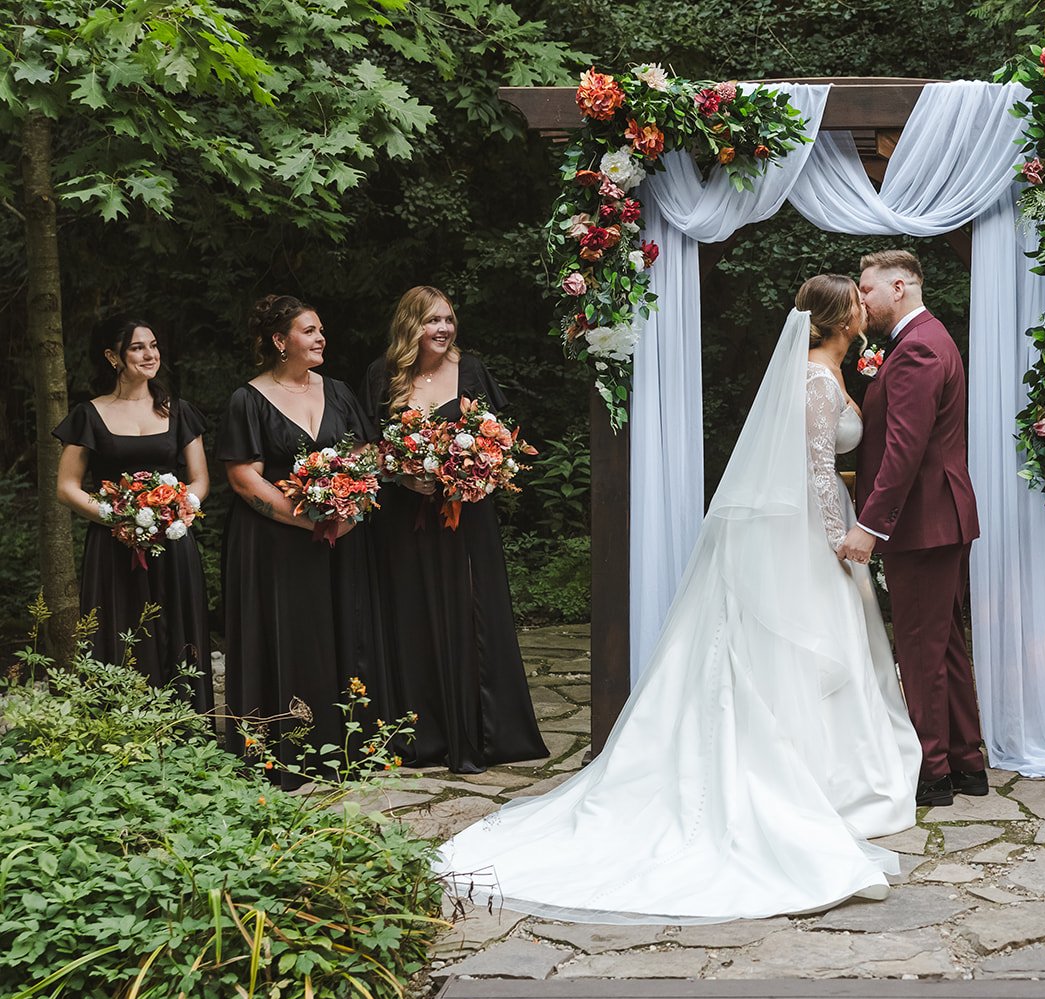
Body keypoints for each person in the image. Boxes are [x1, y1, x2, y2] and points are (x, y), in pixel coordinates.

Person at [436, 276, 920, 922]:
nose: (865, 305)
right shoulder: (815, 379)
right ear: (840, 319)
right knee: (807, 647)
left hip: (820, 523)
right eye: (856, 300)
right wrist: (841, 542)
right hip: (814, 534)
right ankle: (818, 778)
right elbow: (811, 474)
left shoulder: (827, 372)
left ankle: (834, 771)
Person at [363, 287, 548, 774]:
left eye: (448, 319)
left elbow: (499, 440)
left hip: (466, 517)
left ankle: (480, 731)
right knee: (412, 614)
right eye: (432, 321)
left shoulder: (472, 371)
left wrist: (470, 472)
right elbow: (368, 447)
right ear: (410, 326)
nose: (443, 329)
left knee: (471, 613)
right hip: (404, 519)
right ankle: (423, 734)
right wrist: (402, 474)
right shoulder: (383, 375)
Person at [218, 295, 389, 786]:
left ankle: (346, 747)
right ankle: (287, 748)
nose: (321, 338)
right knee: (289, 635)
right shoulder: (248, 400)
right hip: (275, 543)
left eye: (321, 330)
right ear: (280, 341)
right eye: (309, 331)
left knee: (342, 630)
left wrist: (350, 506)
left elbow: (366, 454)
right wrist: (309, 518)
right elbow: (243, 478)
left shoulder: (338, 391)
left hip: (340, 537)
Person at [837, 250, 985, 809]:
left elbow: (905, 449)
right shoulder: (925, 338)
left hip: (923, 522)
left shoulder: (918, 348)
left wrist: (871, 525)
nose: (861, 299)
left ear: (898, 288)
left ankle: (932, 771)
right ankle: (967, 762)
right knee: (944, 645)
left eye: (867, 289)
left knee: (921, 647)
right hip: (937, 518)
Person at [53, 317, 212, 713]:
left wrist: (172, 513)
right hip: (113, 545)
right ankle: (121, 727)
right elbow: (67, 487)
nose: (150, 354)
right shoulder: (89, 415)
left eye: (153, 345)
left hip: (173, 542)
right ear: (113, 357)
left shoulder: (180, 412)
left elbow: (200, 479)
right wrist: (122, 518)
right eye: (138, 347)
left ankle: (184, 728)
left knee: (176, 629)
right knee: (119, 630)